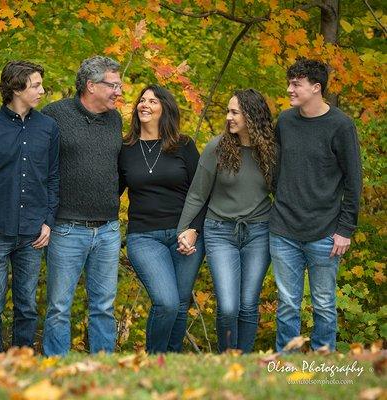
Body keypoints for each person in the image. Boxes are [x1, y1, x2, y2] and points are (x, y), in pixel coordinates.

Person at [0, 60, 59, 353]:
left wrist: (48, 222)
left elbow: (53, 178)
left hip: (33, 234)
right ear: (17, 88)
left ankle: (22, 362)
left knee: (27, 306)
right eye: (36, 85)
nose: (42, 90)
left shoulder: (49, 128)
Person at [270, 58, 362, 352]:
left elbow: (353, 181)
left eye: (296, 84)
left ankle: (323, 364)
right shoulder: (284, 121)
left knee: (323, 303)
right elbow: (273, 168)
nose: (289, 89)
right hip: (284, 230)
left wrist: (345, 228)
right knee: (286, 305)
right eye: (290, 83)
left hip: (326, 232)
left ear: (316, 87)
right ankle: (288, 362)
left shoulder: (341, 126)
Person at [177, 89, 276, 353]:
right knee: (228, 306)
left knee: (247, 304)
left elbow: (283, 192)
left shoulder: (271, 151)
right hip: (220, 232)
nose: (228, 117)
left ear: (252, 116)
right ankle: (226, 360)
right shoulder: (216, 147)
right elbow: (198, 194)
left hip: (259, 231)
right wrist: (184, 230)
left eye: (235, 112)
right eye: (228, 111)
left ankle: (242, 364)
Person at [41, 56, 123, 356]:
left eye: (120, 85)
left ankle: (104, 367)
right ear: (91, 85)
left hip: (108, 230)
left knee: (104, 305)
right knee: (60, 306)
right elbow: (40, 170)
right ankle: (55, 367)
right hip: (66, 229)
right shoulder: (54, 115)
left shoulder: (115, 119)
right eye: (113, 86)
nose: (119, 92)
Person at [119, 84, 206, 353]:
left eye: (153, 101)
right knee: (166, 302)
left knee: (180, 305)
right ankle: (153, 361)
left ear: (165, 109)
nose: (144, 105)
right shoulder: (125, 148)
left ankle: (171, 364)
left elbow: (203, 193)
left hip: (184, 236)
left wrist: (193, 231)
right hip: (144, 237)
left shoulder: (184, 145)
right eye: (142, 100)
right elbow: (111, 192)